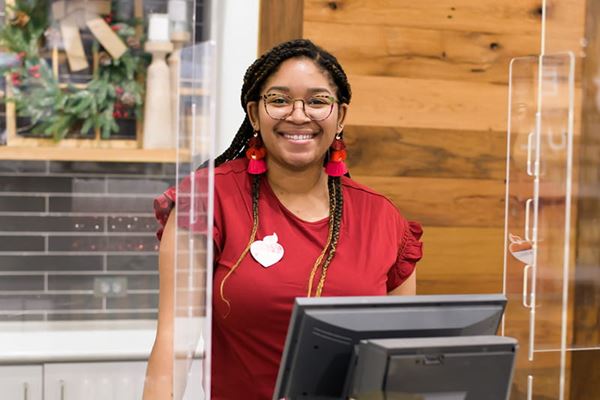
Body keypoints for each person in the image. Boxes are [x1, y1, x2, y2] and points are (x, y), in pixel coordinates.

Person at [143, 39, 423, 400]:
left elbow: (399, 365)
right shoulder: (208, 200)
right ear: (255, 114)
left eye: (318, 101)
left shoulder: (383, 219)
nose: (298, 114)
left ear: (341, 116)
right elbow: (173, 346)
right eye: (279, 100)